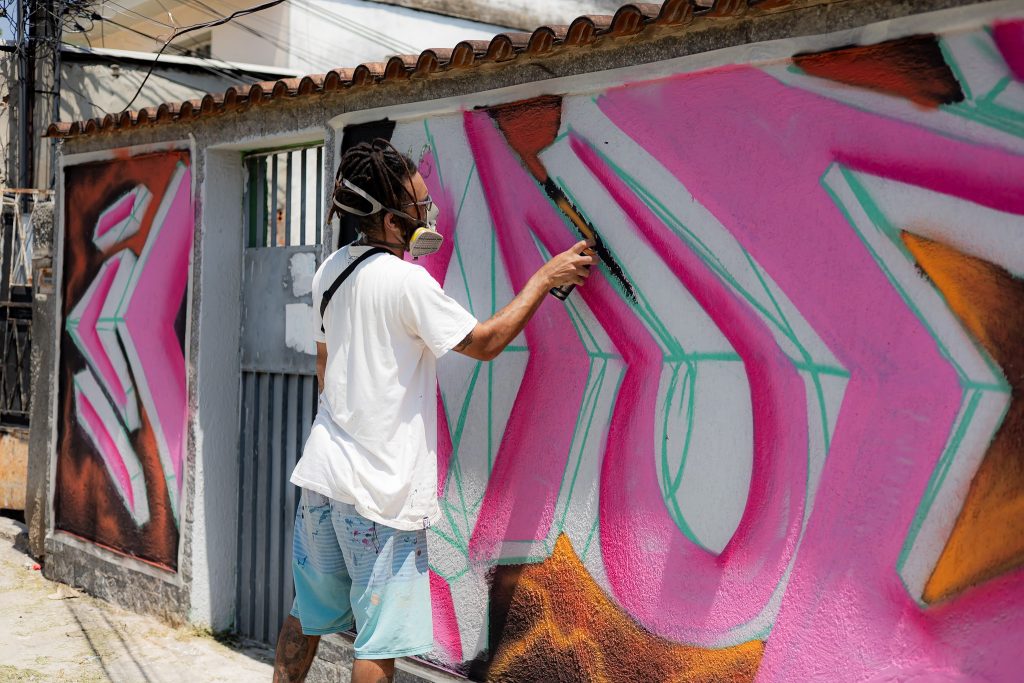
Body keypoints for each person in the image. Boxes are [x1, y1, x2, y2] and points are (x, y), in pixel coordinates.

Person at [272, 139, 596, 683]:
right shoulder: (408, 283)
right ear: (392, 219)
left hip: (323, 478)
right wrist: (545, 278)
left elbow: (324, 365)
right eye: (419, 203)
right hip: (381, 492)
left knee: (306, 614)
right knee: (379, 640)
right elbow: (486, 342)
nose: (429, 211)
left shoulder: (331, 270)